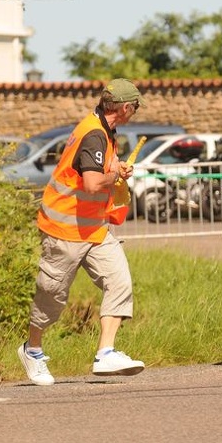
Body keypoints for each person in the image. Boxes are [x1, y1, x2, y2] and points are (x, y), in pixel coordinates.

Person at [18, 78, 147, 386]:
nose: (136, 112)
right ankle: (32, 349)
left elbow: (98, 173)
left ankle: (106, 353)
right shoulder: (93, 134)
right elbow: (91, 183)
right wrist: (115, 173)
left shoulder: (105, 130)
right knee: (51, 297)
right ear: (126, 107)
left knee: (119, 282)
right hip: (64, 229)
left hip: (95, 228)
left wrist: (116, 169)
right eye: (136, 107)